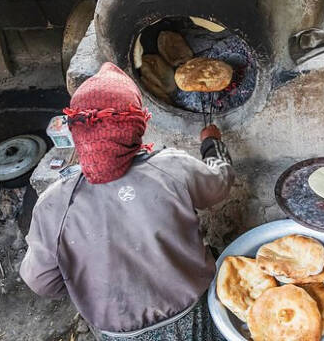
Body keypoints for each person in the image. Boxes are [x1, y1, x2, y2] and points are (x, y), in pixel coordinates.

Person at [19, 63, 234, 341]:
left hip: (117, 333)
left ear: (77, 130)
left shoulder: (53, 204)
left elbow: (41, 281)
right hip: (191, 315)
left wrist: (85, 283)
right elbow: (220, 183)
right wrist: (211, 145)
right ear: (136, 125)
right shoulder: (172, 168)